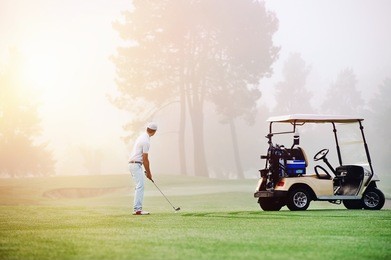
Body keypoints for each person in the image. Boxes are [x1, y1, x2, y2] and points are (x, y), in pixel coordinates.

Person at [128, 122, 157, 215]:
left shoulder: (142, 137)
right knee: (140, 186)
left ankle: (137, 209)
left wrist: (146, 171)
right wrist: (149, 173)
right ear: (154, 132)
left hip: (134, 164)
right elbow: (145, 159)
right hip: (135, 164)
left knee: (139, 185)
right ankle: (137, 209)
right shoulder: (146, 141)